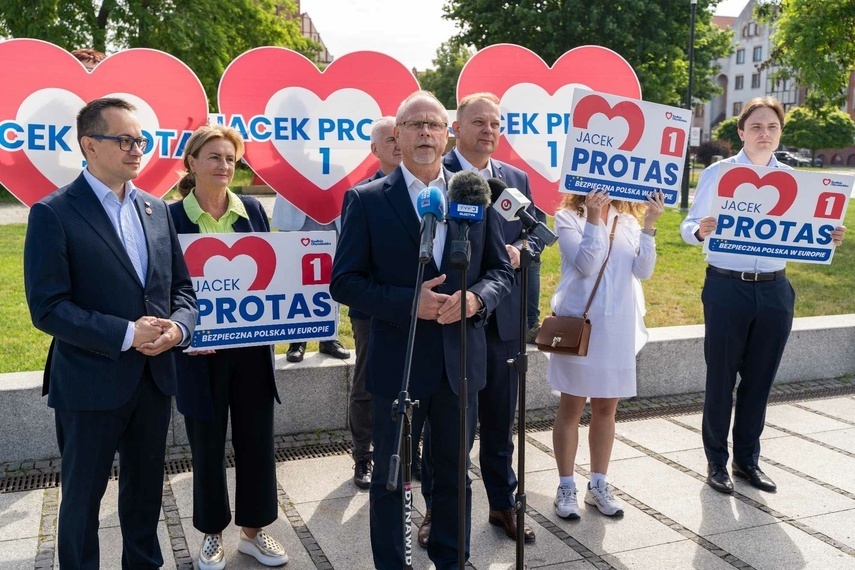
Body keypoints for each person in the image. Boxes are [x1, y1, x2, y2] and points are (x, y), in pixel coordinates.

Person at [330, 90, 513, 569]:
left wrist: (475, 299)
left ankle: (453, 561)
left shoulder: (473, 192)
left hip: (460, 366)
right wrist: (412, 304)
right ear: (398, 137)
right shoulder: (367, 201)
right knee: (394, 479)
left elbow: (500, 272)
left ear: (447, 134)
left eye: (435, 125)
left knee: (455, 475)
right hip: (401, 364)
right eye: (416, 125)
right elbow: (345, 282)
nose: (427, 133)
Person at [23, 97, 197, 568]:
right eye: (123, 140)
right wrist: (126, 333)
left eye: (140, 140)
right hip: (88, 383)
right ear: (88, 145)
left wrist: (178, 329)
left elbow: (182, 290)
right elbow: (48, 308)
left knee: (145, 496)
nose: (135, 149)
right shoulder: (53, 213)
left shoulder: (157, 209)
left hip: (154, 379)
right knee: (82, 501)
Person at [680, 96, 847, 494]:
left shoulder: (795, 180)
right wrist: (701, 230)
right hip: (725, 287)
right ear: (741, 132)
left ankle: (747, 461)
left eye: (772, 127)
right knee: (720, 379)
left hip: (775, 291)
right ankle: (716, 463)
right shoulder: (718, 174)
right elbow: (686, 227)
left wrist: (831, 237)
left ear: (780, 133)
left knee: (759, 381)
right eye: (756, 126)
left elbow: (809, 231)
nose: (764, 133)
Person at [423, 91, 541, 544]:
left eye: (495, 123)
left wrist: (520, 252)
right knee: (447, 429)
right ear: (456, 126)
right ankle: (437, 509)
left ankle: (502, 504)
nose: (488, 130)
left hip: (502, 322)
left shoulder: (515, 179)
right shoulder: (437, 177)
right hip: (450, 325)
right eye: (479, 122)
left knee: (498, 421)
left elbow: (535, 240)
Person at [169, 124, 288, 570]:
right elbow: (164, 285)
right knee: (205, 443)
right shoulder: (170, 216)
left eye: (231, 159)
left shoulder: (253, 210)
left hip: (252, 352)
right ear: (193, 162)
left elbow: (275, 273)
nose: (224, 166)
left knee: (257, 439)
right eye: (215, 157)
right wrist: (186, 333)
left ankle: (255, 533)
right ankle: (211, 535)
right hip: (198, 355)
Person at [549, 188, 664, 519]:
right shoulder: (568, 218)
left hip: (617, 327)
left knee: (606, 409)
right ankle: (566, 486)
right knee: (571, 406)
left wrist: (650, 225)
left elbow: (643, 271)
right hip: (580, 326)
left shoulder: (628, 221)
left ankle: (598, 484)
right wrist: (595, 217)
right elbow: (587, 264)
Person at [345, 116, 403, 489]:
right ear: (374, 150)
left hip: (418, 309)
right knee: (367, 383)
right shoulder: (362, 197)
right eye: (389, 139)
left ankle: (401, 453)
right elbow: (349, 268)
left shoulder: (431, 191)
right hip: (372, 312)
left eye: (401, 137)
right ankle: (363, 457)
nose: (398, 144)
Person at [271, 197, 350, 363]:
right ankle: (297, 340)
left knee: (331, 274)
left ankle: (329, 337)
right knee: (296, 276)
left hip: (334, 209)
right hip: (296, 209)